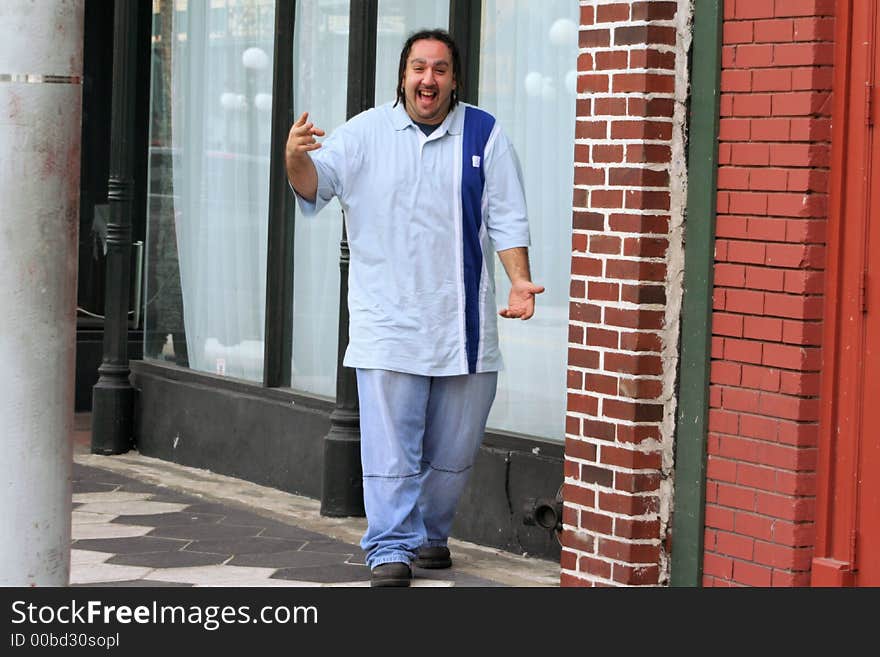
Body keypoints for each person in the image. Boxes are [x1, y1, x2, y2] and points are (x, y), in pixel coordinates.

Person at [285, 28, 544, 587]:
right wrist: (293, 157)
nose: (429, 80)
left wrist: (519, 282)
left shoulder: (485, 133)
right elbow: (314, 185)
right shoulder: (364, 134)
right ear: (403, 75)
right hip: (387, 324)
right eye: (419, 68)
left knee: (454, 453)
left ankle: (429, 533)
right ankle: (389, 548)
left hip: (464, 328)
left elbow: (508, 218)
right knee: (392, 449)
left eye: (440, 70)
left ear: (454, 79)